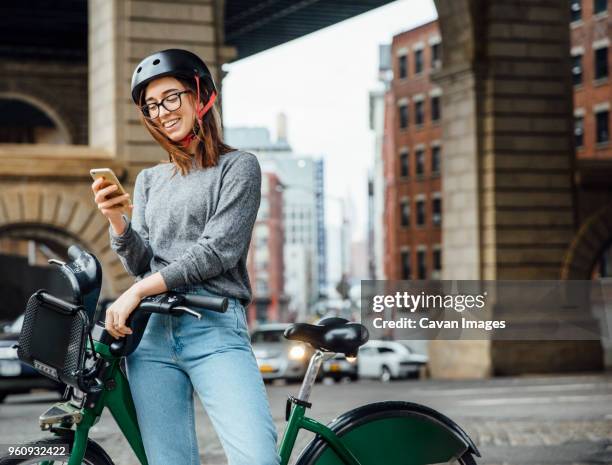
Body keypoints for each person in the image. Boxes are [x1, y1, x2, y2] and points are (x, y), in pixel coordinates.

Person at [91, 49, 280, 465]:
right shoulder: (149, 180)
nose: (162, 112)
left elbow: (217, 251)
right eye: (152, 106)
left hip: (213, 327)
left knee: (257, 458)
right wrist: (117, 221)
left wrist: (136, 292)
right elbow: (144, 263)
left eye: (171, 97)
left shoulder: (239, 167)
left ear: (201, 95)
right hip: (152, 335)